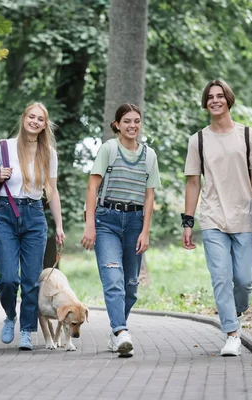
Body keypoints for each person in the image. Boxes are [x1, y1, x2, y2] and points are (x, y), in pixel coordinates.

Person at [182, 79, 252, 356]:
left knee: (243, 280)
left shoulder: (249, 136)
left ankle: (237, 309)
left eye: (220, 96)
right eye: (210, 97)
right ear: (205, 103)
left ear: (228, 99)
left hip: (244, 216)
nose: (215, 100)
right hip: (212, 218)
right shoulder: (198, 140)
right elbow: (193, 183)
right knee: (221, 277)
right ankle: (231, 333)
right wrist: (188, 221)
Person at [81, 103, 161, 358]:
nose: (132, 125)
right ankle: (121, 331)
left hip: (135, 222)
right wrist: (90, 225)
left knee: (130, 287)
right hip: (107, 222)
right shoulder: (109, 149)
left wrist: (145, 231)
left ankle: (117, 331)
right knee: (113, 279)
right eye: (127, 121)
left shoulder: (149, 155)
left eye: (136, 121)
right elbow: (92, 187)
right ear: (117, 125)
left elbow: (149, 197)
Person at [0, 102, 65, 351]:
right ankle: (10, 315)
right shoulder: (4, 147)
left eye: (40, 119)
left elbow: (51, 191)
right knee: (9, 279)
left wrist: (60, 226)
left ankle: (27, 330)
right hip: (5, 214)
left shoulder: (49, 153)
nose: (34, 121)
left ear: (45, 125)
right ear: (23, 118)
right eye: (31, 116)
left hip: (34, 216)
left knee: (31, 281)